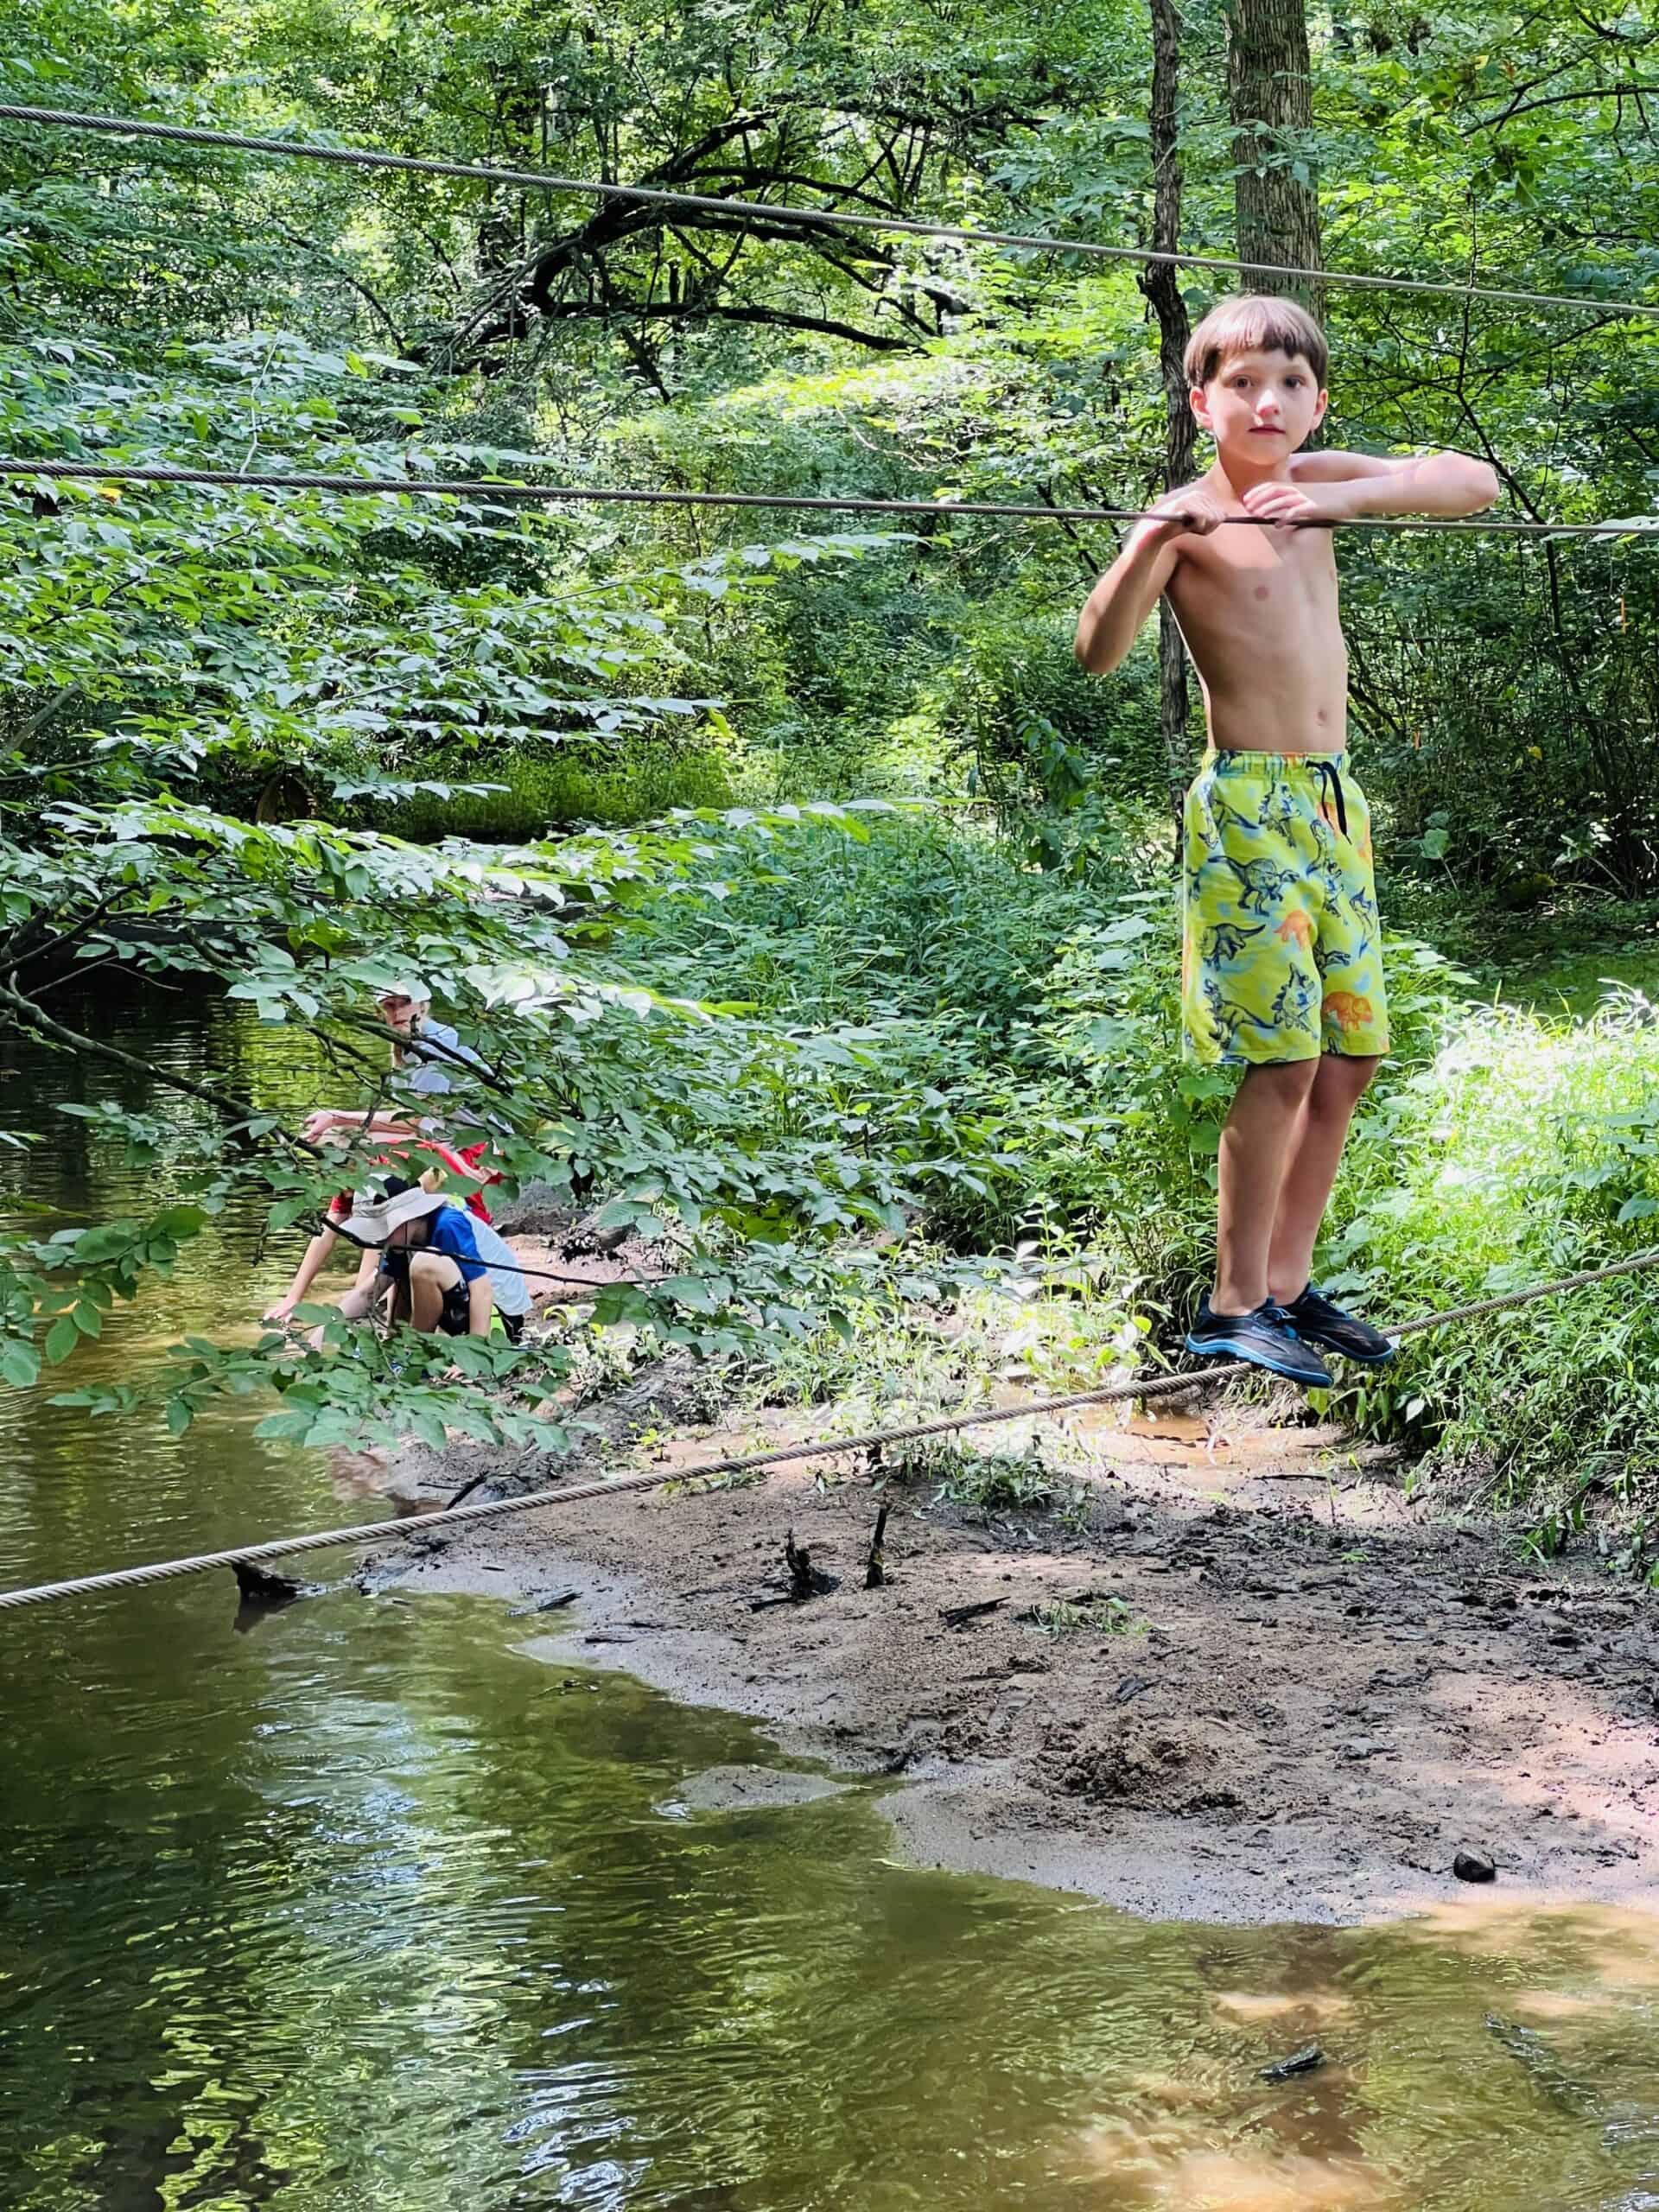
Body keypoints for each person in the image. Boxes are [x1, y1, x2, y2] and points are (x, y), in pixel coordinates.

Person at [1074, 294, 1500, 1387]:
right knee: (1286, 1052)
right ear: (1200, 400)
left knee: (1353, 1052)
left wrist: (1340, 502)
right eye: (1243, 385)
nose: (1269, 402)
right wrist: (1158, 542)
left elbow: (1470, 482)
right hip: (1250, 806)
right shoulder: (1182, 514)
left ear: (1316, 401)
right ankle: (1227, 1305)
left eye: (1293, 385)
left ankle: (1287, 1286)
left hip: (1333, 802)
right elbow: (1098, 652)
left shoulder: (1308, 484)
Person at [327, 1183, 495, 1341]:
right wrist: (321, 1334)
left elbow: (483, 1290)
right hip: (462, 1309)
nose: (381, 1239)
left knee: (423, 1265)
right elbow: (366, 1294)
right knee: (401, 1271)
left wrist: (475, 1352)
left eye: (384, 1228)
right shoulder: (403, 1239)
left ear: (407, 1217)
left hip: (496, 1322)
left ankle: (415, 1350)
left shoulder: (448, 1223)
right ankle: (398, 1344)